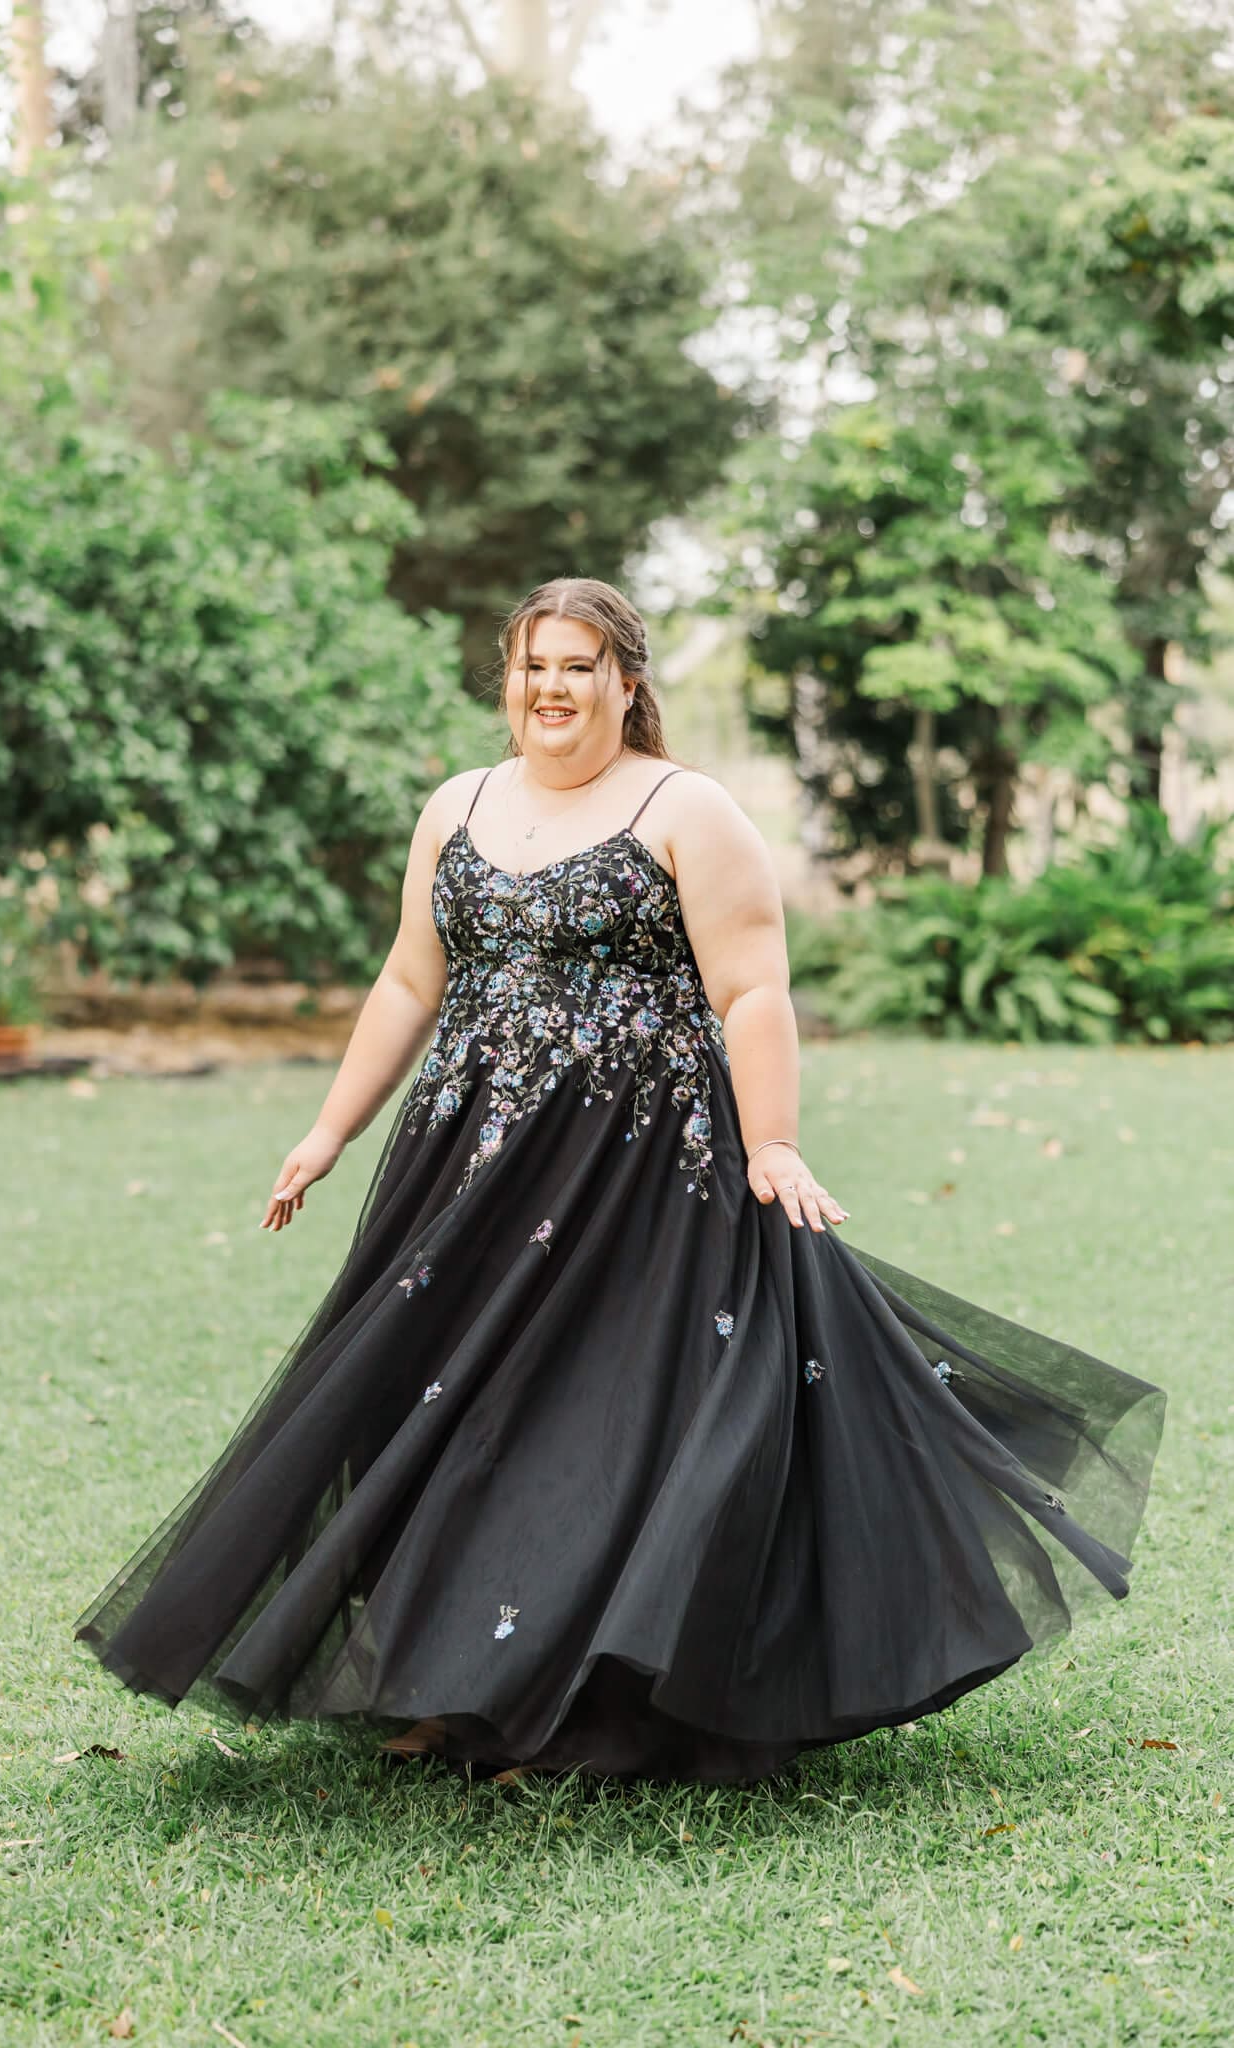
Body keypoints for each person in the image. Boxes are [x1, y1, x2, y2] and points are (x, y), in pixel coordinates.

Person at [73, 576, 1165, 1784]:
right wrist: (328, 1130)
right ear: (508, 677)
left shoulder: (684, 807)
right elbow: (408, 980)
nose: (550, 687)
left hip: (641, 1172)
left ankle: (582, 1709)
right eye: (531, 664)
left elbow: (752, 987)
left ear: (625, 681)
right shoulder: (456, 804)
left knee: (594, 1426)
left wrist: (774, 1143)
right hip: (470, 1166)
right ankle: (448, 1689)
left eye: (577, 665)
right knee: (450, 1414)